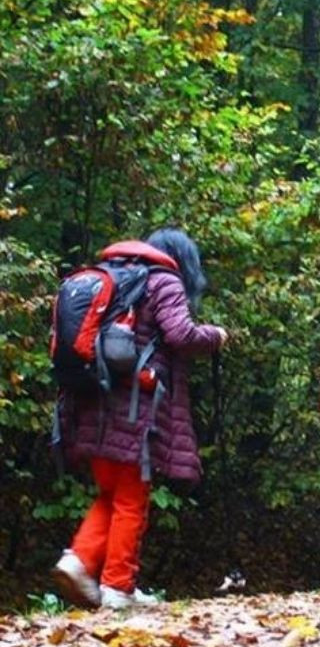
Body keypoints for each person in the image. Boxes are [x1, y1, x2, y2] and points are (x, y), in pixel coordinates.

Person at [51, 228, 228, 609]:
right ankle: (118, 587)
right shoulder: (163, 281)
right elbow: (181, 335)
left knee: (111, 492)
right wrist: (215, 335)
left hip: (92, 402)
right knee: (132, 498)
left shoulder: (111, 275)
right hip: (136, 408)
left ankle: (78, 561)